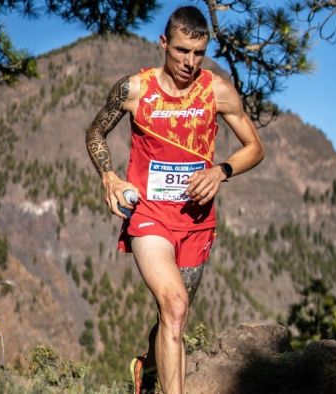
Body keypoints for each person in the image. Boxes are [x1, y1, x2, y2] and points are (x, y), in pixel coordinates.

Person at [85, 6, 264, 394]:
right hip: (149, 216)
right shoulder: (135, 90)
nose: (189, 61)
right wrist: (109, 176)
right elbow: (95, 132)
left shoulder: (216, 91)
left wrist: (221, 170)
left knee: (174, 315)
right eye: (182, 50)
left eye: (199, 53)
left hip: (197, 221)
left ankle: (147, 370)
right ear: (163, 43)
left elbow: (254, 147)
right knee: (176, 306)